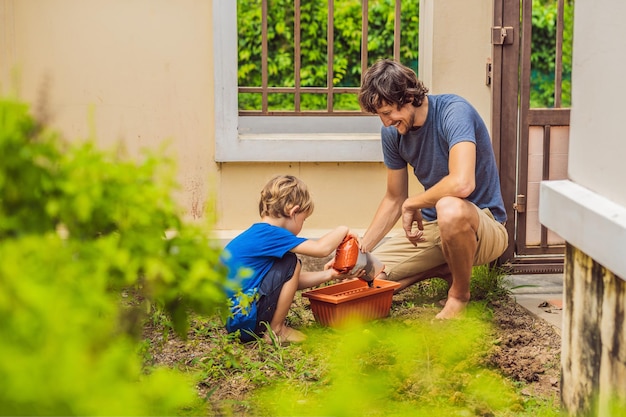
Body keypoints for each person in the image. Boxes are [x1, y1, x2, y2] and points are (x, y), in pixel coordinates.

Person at [357, 59, 508, 319]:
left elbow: (462, 183)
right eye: (380, 115)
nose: (385, 122)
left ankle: (459, 295)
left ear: (407, 97)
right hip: (432, 229)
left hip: (482, 224)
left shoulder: (454, 111)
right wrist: (360, 252)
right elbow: (394, 198)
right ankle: (443, 267)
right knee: (369, 278)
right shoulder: (393, 134)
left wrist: (413, 203)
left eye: (387, 113)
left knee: (449, 207)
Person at [221, 174, 358, 344]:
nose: (302, 224)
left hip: (237, 322)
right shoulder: (272, 234)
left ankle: (271, 328)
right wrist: (343, 229)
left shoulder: (257, 233)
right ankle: (277, 330)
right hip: (248, 319)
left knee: (288, 264)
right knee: (290, 261)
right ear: (293, 212)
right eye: (303, 219)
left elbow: (288, 282)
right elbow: (322, 249)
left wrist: (330, 275)